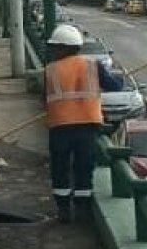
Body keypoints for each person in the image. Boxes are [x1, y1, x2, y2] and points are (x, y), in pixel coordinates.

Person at [44, 24, 122, 223]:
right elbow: (114, 86)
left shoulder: (50, 70)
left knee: (60, 168)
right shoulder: (92, 66)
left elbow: (46, 96)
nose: (53, 50)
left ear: (62, 48)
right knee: (84, 168)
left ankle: (63, 211)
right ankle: (82, 211)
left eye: (55, 47)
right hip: (87, 126)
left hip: (60, 126)